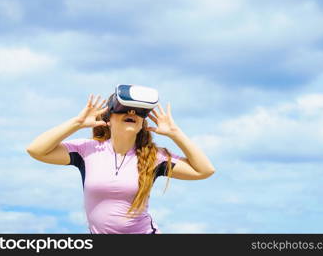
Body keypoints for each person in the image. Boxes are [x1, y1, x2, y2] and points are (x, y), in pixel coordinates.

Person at [26, 89, 215, 234]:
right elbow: (36, 150)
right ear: (108, 119)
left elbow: (204, 170)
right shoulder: (87, 150)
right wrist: (77, 122)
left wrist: (175, 133)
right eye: (123, 108)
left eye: (139, 111)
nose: (132, 111)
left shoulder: (154, 157)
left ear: (142, 123)